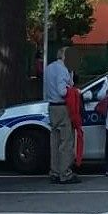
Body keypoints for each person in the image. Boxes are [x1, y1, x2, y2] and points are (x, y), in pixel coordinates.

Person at [44, 47, 80, 184]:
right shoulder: (63, 69)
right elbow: (63, 91)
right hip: (62, 107)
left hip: (52, 107)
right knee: (66, 141)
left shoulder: (49, 68)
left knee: (55, 140)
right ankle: (65, 173)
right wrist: (74, 91)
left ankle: (54, 171)